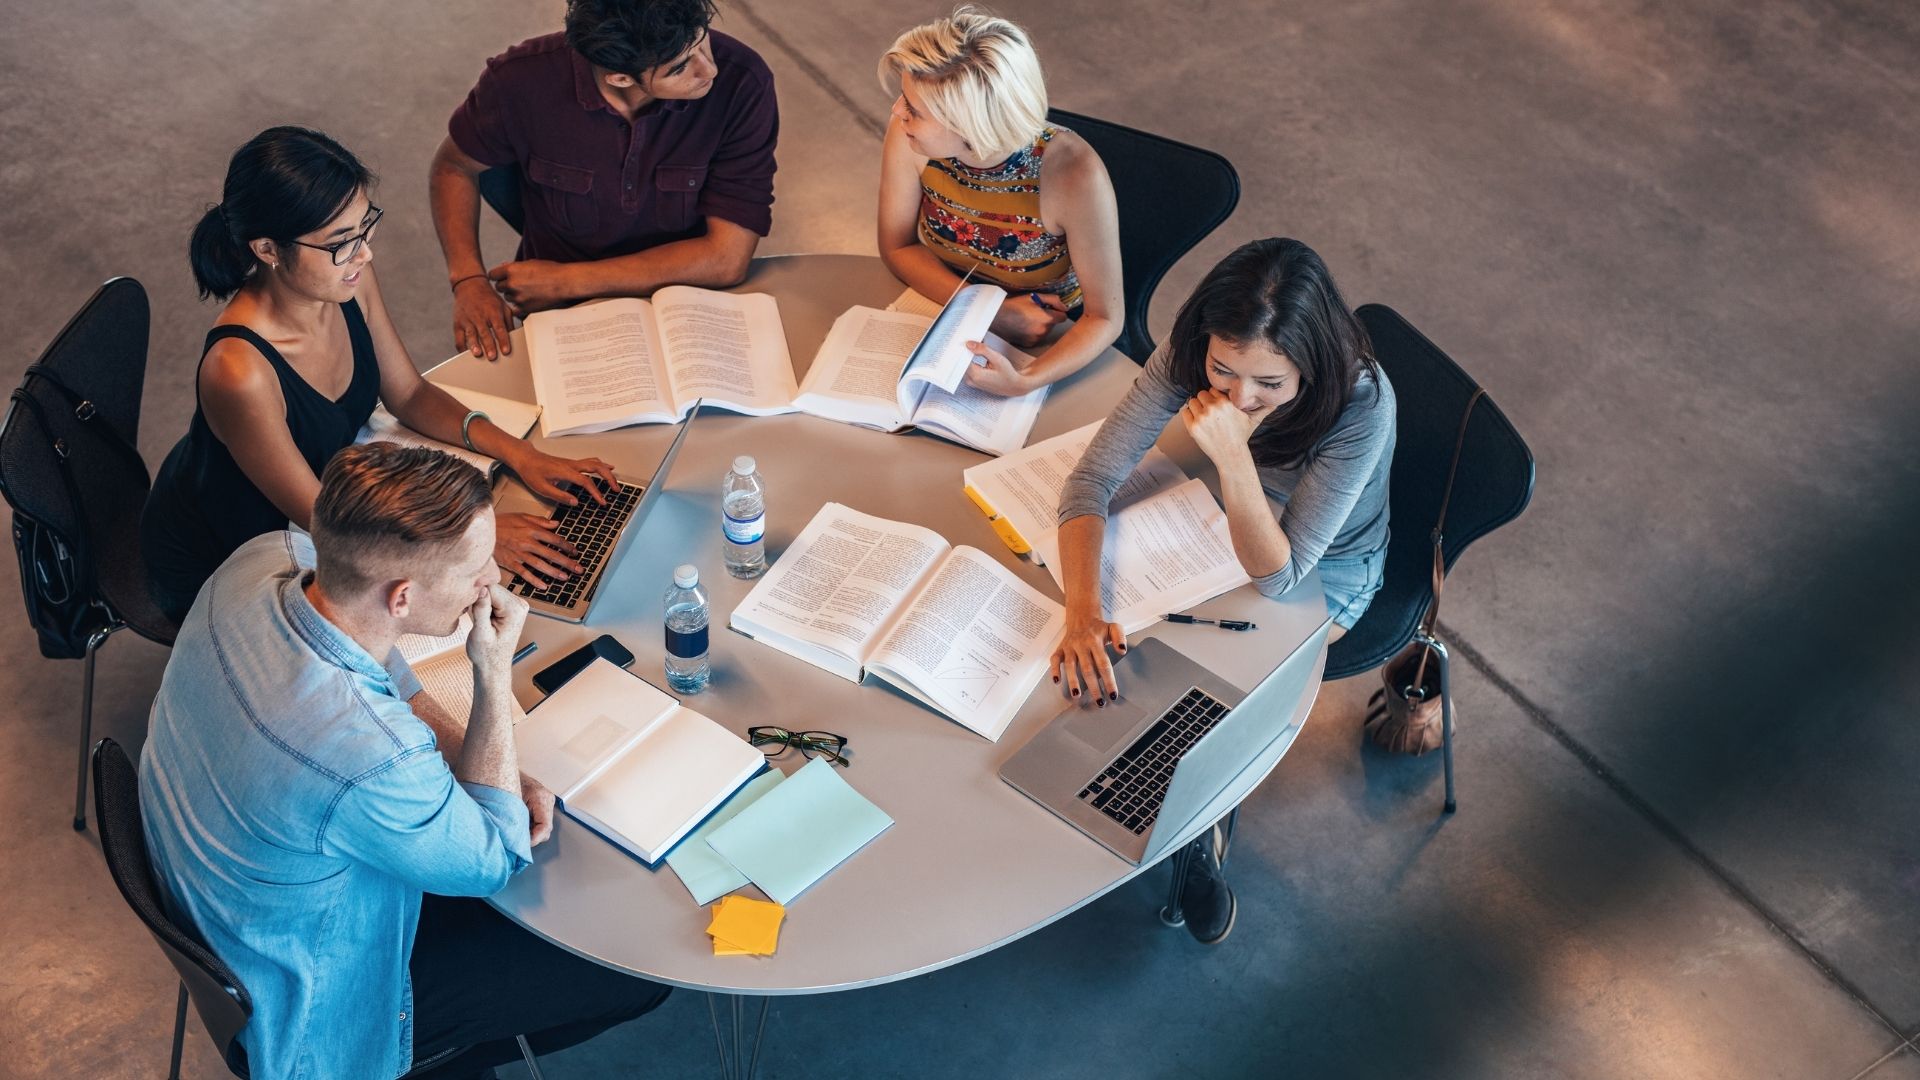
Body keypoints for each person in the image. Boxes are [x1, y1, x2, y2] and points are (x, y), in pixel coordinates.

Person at [139, 444, 670, 1079]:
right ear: (402, 599)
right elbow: (495, 854)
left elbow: (390, 672)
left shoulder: (264, 561)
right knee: (631, 971)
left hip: (228, 915)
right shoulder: (368, 756)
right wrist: (492, 674)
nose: (492, 583)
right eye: (475, 571)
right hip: (313, 1007)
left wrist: (473, 761)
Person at [1050, 238, 1396, 944]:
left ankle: (1192, 841)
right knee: (1129, 642)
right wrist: (1083, 611)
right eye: (1223, 371)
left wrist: (1233, 454)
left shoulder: (1363, 405)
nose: (1239, 397)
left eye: (1269, 383)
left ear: (1312, 364)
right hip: (1216, 510)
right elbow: (1088, 484)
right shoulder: (1192, 353)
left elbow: (1283, 575)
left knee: (1210, 685)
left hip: (1327, 570)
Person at [143, 126, 615, 622]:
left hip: (335, 492)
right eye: (341, 242)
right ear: (267, 250)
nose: (364, 253)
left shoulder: (348, 279)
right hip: (235, 551)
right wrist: (473, 536)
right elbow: (324, 520)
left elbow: (408, 394)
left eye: (364, 227)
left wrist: (520, 452)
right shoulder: (238, 373)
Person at [431, 0, 779, 360]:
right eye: (679, 68)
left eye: (702, 41)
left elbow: (725, 258)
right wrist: (468, 281)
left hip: (689, 304)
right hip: (565, 318)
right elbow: (453, 167)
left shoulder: (743, 83)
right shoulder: (518, 83)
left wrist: (567, 281)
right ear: (620, 77)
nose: (709, 69)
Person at [877, 6, 1122, 395]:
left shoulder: (1075, 175)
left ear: (971, 126)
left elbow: (1105, 318)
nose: (896, 111)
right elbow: (897, 246)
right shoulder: (909, 136)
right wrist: (993, 313)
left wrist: (1026, 380)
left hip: (1046, 332)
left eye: (913, 109)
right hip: (948, 302)